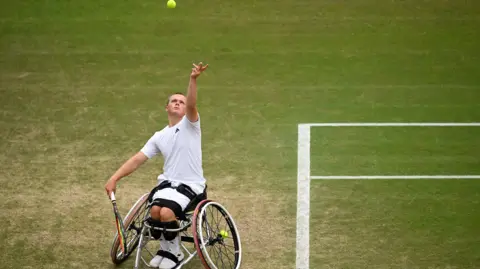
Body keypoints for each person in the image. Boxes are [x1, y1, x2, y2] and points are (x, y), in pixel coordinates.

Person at [105, 62, 209, 269]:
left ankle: (176, 254)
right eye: (174, 101)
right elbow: (137, 159)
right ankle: (166, 250)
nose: (178, 103)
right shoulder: (159, 136)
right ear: (167, 107)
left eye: (182, 101)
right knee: (154, 213)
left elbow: (192, 104)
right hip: (168, 185)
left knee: (166, 214)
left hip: (192, 186)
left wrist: (193, 79)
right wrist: (114, 178)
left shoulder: (190, 125)